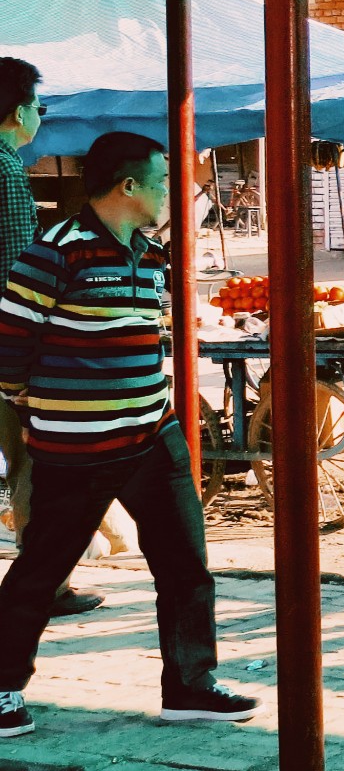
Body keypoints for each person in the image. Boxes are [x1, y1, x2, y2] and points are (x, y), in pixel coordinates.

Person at [0, 132, 260, 737]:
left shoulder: (149, 254)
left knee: (186, 564)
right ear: (129, 187)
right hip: (78, 447)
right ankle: (2, 687)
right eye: (165, 180)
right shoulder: (56, 252)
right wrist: (38, 409)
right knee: (43, 567)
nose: (175, 191)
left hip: (152, 435)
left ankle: (190, 687)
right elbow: (9, 347)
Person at [0, 58, 104, 621]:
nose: (40, 116)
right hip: (12, 349)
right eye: (38, 106)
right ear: (18, 112)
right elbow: (21, 277)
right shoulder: (5, 170)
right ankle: (45, 585)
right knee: (37, 464)